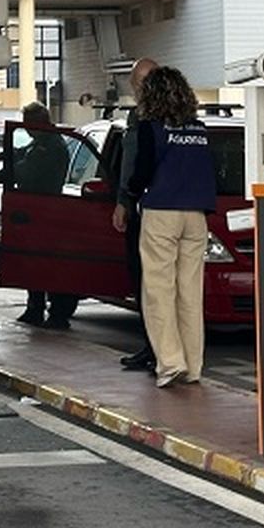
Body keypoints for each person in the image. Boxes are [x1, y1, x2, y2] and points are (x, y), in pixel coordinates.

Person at [124, 67, 217, 388]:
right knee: (190, 292)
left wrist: (131, 194)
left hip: (162, 211)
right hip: (196, 215)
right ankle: (193, 365)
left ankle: (170, 361)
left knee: (159, 290)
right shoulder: (200, 130)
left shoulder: (152, 128)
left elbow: (142, 171)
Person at [111, 58, 158, 373]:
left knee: (147, 282)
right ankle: (171, 354)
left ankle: (153, 349)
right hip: (184, 207)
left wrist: (124, 200)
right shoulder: (183, 115)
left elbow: (132, 162)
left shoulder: (140, 117)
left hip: (148, 210)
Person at [11, 102, 74, 329]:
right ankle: (34, 307)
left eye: (28, 125)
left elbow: (27, 170)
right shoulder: (42, 141)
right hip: (36, 209)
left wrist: (2, 174)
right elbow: (23, 155)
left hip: (46, 209)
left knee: (49, 264)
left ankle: (57, 313)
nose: (26, 130)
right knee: (34, 263)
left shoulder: (51, 145)